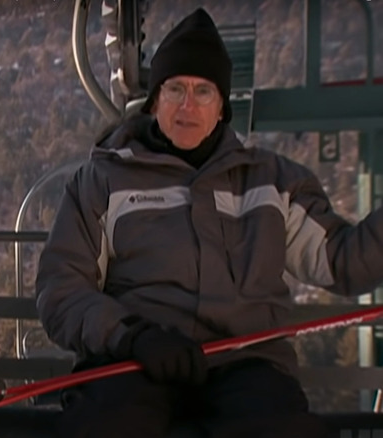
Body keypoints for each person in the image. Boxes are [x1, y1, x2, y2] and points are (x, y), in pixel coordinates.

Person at [36, 8, 372, 438]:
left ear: (222, 108)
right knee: (109, 426)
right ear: (155, 100)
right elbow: (61, 288)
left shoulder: (271, 182)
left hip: (246, 364)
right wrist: (131, 336)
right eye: (175, 89)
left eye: (203, 92)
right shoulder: (105, 180)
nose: (187, 106)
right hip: (138, 361)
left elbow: (342, 261)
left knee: (276, 429)